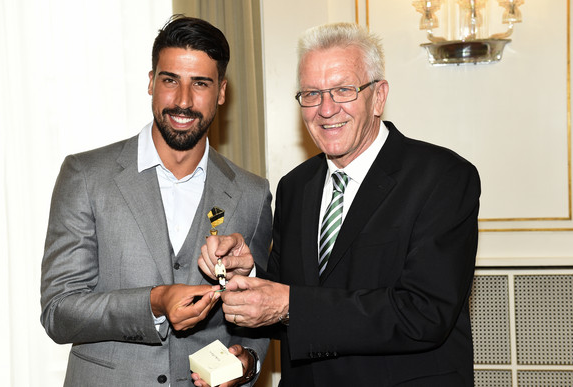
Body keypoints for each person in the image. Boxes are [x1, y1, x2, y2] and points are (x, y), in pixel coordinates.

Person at [199, 22, 480, 386]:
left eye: (343, 90)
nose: (326, 109)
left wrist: (288, 306)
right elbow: (291, 298)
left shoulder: (442, 177)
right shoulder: (295, 187)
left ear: (378, 96)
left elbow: (424, 315)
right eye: (312, 94)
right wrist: (248, 276)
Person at [40, 15, 272, 387]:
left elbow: (258, 317)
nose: (183, 101)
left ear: (222, 92)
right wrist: (155, 301)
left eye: (200, 83)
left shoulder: (253, 193)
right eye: (170, 80)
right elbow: (58, 312)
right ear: (151, 83)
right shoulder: (85, 176)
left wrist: (248, 364)